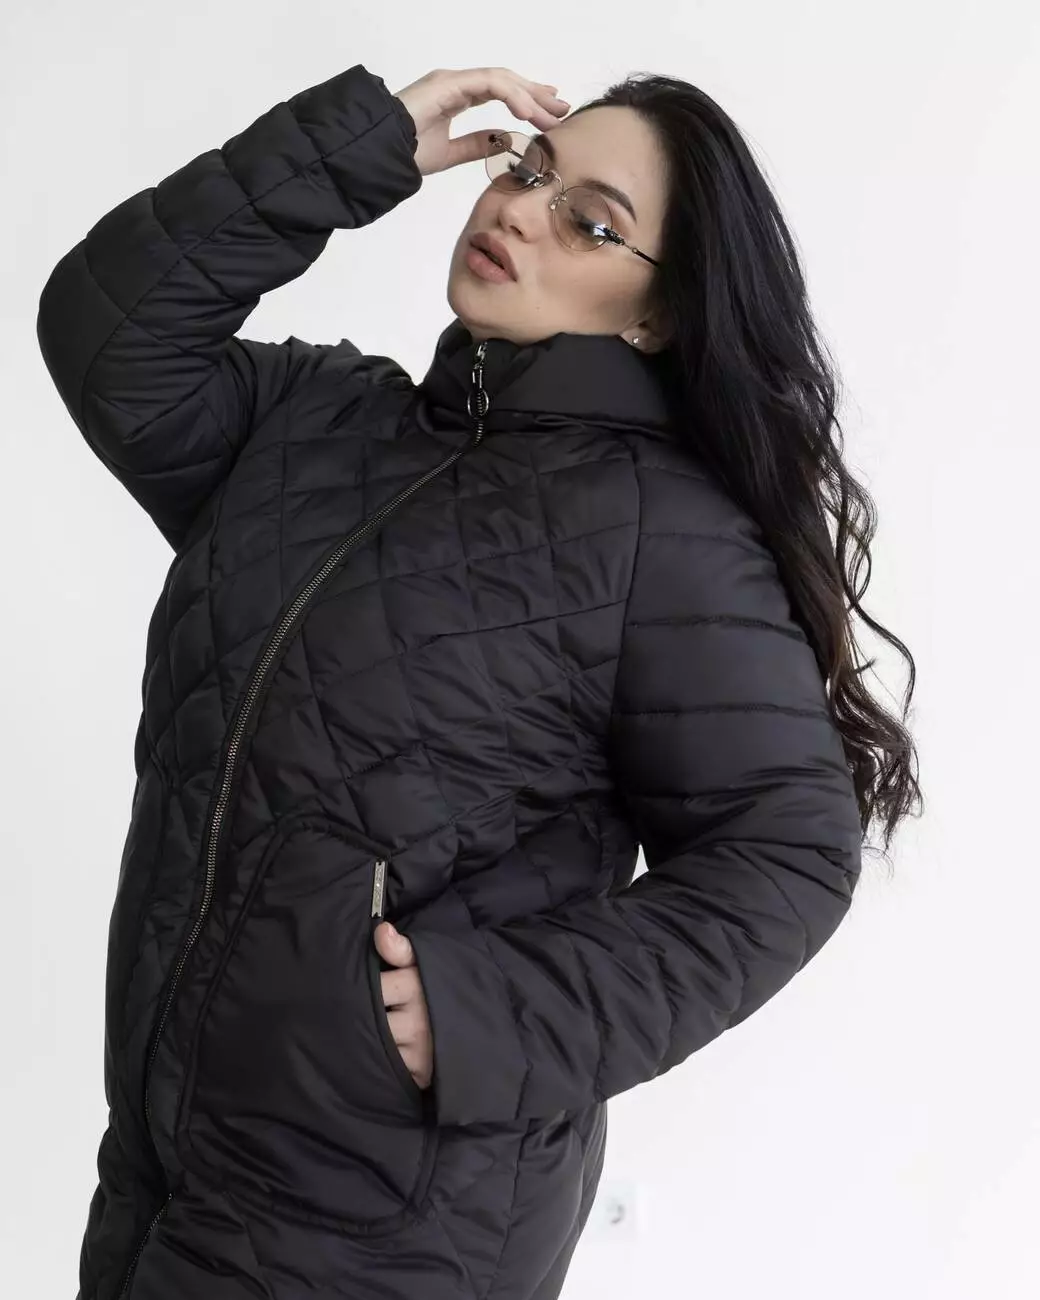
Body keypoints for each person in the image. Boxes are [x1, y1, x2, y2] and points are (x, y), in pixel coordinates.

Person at [37, 62, 920, 1300]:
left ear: (654, 315)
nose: (517, 210)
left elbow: (787, 853)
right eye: (528, 170)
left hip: (389, 1233)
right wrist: (358, 146)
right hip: (162, 1177)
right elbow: (111, 335)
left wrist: (489, 1010)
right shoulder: (315, 425)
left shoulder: (659, 538)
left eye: (589, 222)